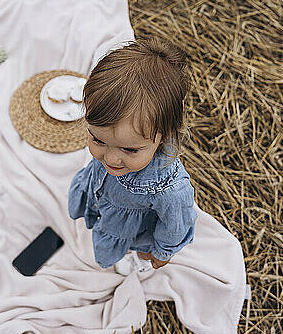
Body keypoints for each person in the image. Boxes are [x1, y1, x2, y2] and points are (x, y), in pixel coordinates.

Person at [68, 38, 198, 275]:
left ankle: (138, 260)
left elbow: (175, 226)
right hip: (106, 200)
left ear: (164, 135)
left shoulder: (169, 190)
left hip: (134, 230)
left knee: (137, 249)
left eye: (129, 150)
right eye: (98, 140)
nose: (110, 159)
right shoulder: (118, 148)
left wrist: (162, 253)